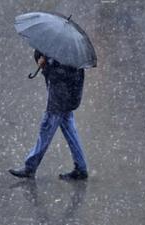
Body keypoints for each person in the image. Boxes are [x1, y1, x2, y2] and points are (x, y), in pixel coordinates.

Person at [9, 50, 88, 180]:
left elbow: (62, 74)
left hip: (60, 99)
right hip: (65, 98)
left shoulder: (65, 52)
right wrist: (42, 60)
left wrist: (47, 66)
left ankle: (30, 167)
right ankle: (81, 168)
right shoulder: (69, 48)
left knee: (45, 131)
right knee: (70, 133)